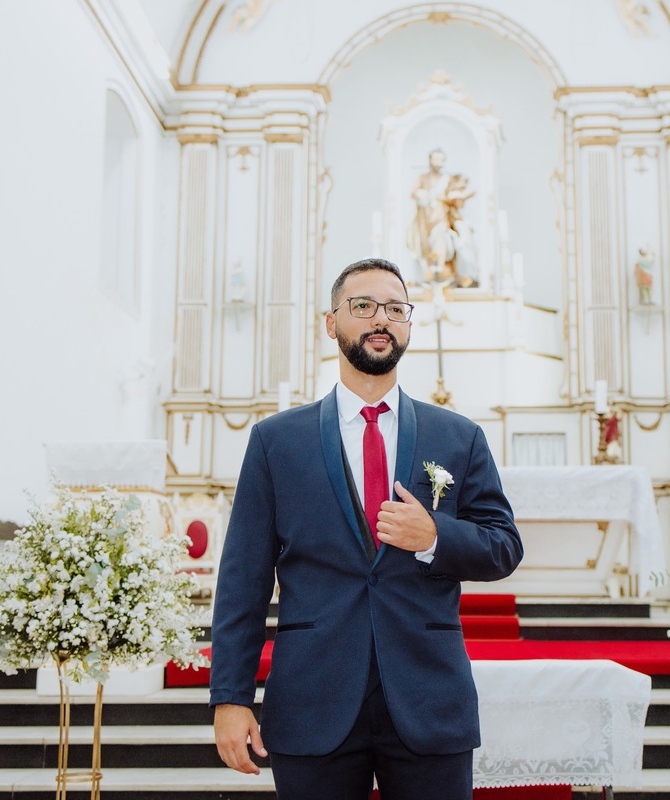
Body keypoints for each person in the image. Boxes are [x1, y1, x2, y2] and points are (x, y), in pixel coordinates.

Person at [210, 257, 523, 800]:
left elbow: (504, 546)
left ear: (408, 324)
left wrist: (435, 538)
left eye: (395, 308)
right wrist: (230, 697)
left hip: (428, 697)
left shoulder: (459, 436)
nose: (380, 319)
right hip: (314, 697)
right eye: (362, 307)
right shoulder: (277, 442)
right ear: (331, 322)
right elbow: (243, 579)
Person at [406, 150, 478, 287]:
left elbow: (455, 194)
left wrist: (461, 194)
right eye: (436, 159)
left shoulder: (447, 179)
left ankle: (439, 269)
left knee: (441, 237)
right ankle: (429, 272)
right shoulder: (423, 178)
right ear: (430, 160)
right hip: (424, 219)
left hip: (441, 216)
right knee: (425, 245)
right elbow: (414, 193)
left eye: (441, 160)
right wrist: (425, 194)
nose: (439, 163)